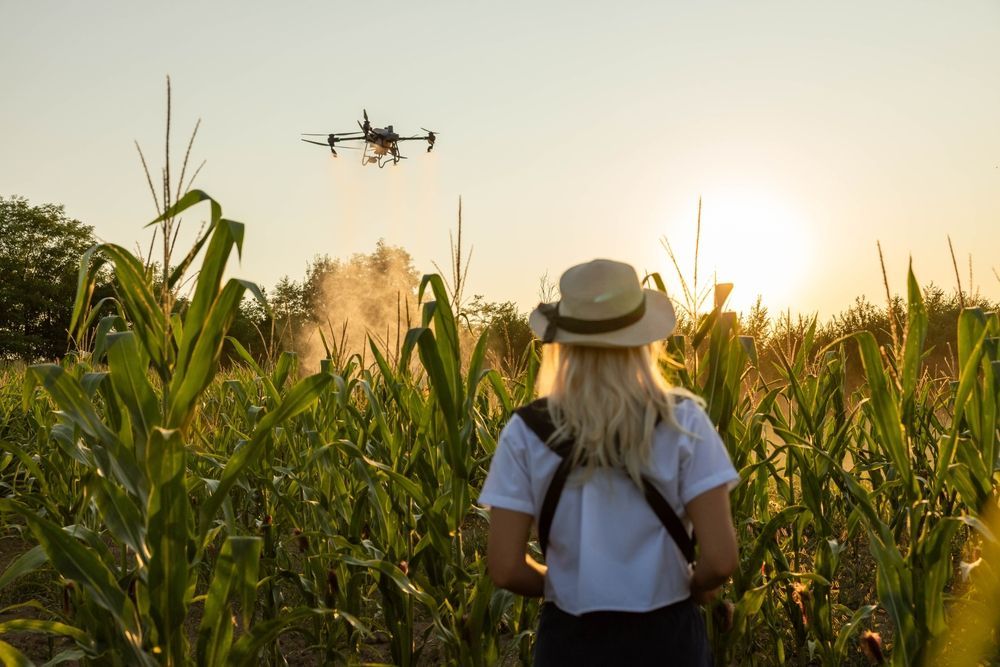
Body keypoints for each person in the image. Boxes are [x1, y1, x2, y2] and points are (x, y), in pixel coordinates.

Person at [479, 259, 740, 666]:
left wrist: (560, 583)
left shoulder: (525, 431)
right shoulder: (684, 421)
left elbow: (505, 568)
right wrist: (694, 585)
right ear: (644, 342)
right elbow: (721, 560)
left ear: (562, 344)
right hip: (669, 640)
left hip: (571, 641)